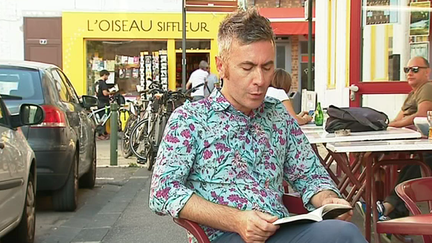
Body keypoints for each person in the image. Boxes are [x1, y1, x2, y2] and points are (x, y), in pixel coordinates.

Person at [149, 8, 366, 243]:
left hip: (279, 231)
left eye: (267, 67)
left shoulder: (278, 116)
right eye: (248, 67)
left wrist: (327, 199)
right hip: (223, 235)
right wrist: (236, 220)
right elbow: (162, 192)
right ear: (221, 67)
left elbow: (311, 174)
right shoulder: (189, 119)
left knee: (346, 234)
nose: (260, 80)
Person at [356, 56, 432, 237]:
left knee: (415, 162)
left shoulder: (427, 88)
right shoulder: (413, 94)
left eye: (415, 69)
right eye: (407, 70)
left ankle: (385, 208)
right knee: (367, 153)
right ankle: (386, 208)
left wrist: (392, 126)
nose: (410, 73)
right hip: (413, 142)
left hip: (421, 143)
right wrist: (387, 125)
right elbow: (398, 119)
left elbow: (420, 116)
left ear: (427, 72)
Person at [96, 69, 111, 140]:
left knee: (101, 117)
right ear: (104, 75)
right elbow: (105, 93)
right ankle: (100, 133)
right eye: (107, 76)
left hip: (99, 101)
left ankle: (104, 132)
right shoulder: (103, 83)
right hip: (104, 102)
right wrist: (110, 93)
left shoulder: (97, 83)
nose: (107, 78)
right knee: (104, 118)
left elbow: (96, 93)